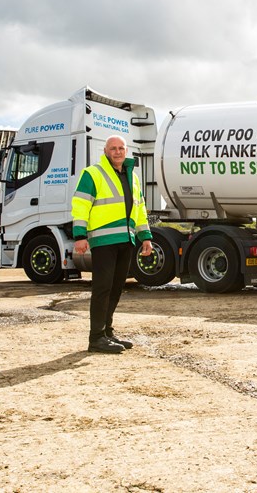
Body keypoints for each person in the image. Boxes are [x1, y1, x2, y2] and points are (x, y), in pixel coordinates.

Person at [72, 135, 153, 353]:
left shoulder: (133, 177)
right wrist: (79, 235)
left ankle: (107, 332)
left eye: (121, 148)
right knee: (103, 288)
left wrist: (145, 237)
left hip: (126, 239)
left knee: (116, 288)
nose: (117, 152)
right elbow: (80, 205)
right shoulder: (93, 173)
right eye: (113, 148)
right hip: (103, 240)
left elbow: (140, 208)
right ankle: (96, 337)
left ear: (126, 151)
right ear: (106, 151)